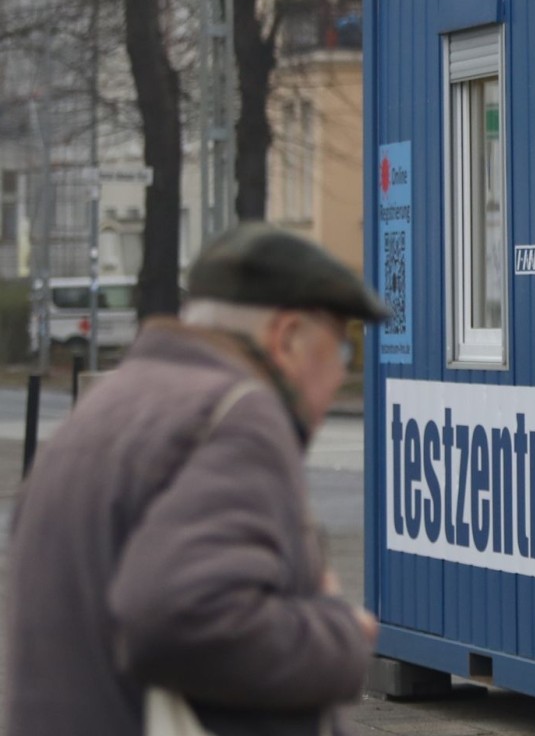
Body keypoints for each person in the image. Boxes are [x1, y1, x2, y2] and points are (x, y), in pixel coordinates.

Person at [5, 223, 389, 736]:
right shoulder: (237, 415)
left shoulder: (106, 408)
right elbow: (181, 616)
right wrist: (339, 636)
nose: (341, 374)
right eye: (339, 351)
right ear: (288, 337)